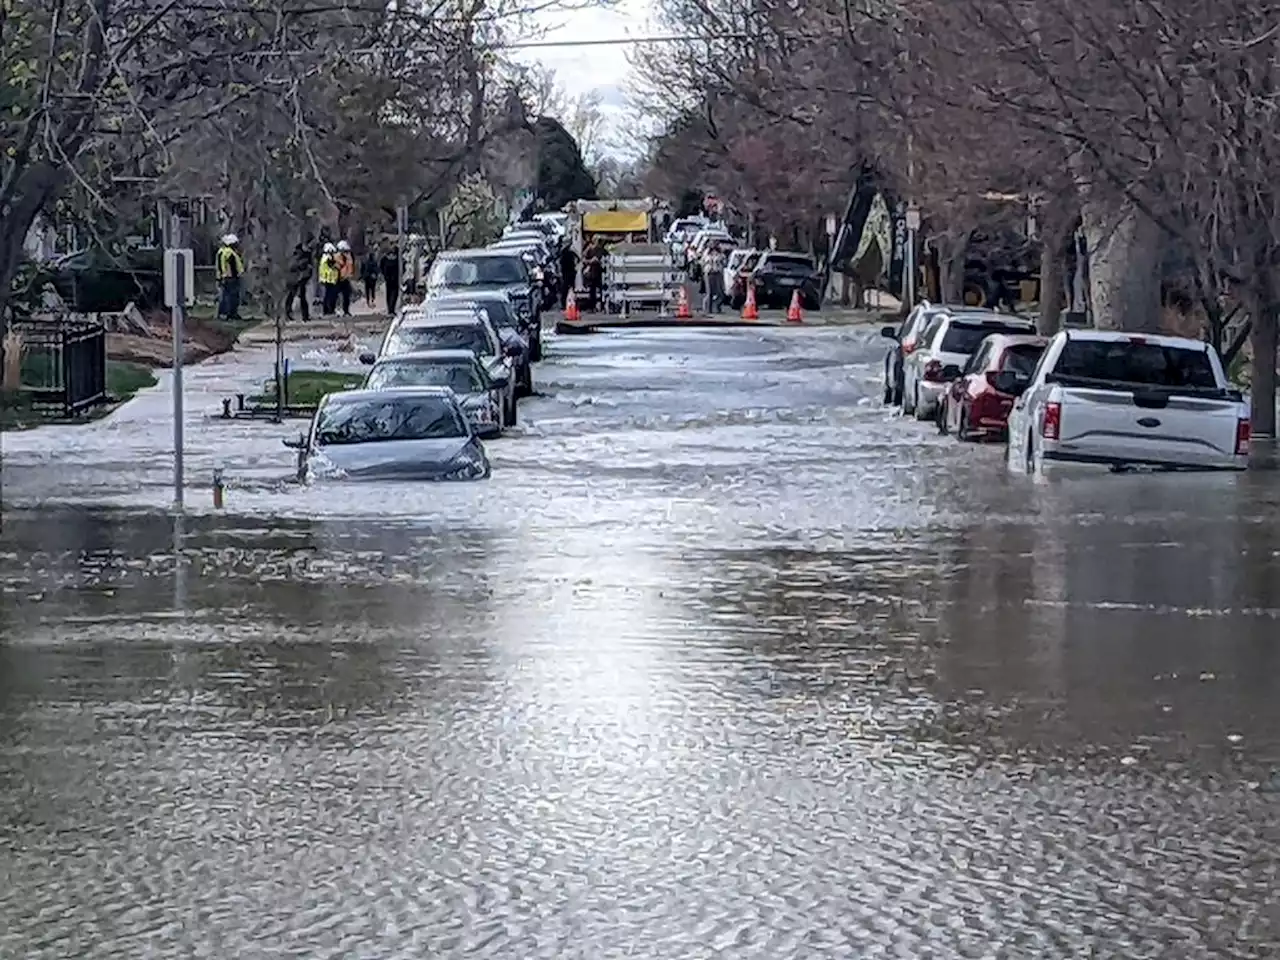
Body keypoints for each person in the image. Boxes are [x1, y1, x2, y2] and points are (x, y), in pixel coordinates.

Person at [215, 233, 245, 321]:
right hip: (231, 278)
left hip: (223, 277)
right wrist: (236, 275)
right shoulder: (230, 253)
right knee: (232, 297)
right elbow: (232, 266)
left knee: (224, 296)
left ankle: (222, 313)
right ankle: (231, 314)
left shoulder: (221, 251)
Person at [284, 239, 312, 323]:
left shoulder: (298, 258)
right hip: (296, 280)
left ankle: (303, 315)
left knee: (295, 297)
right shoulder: (300, 259)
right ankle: (302, 315)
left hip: (297, 280)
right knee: (294, 297)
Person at [702, 241, 727, 314]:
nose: (714, 247)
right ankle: (708, 309)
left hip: (718, 274)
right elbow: (703, 262)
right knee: (710, 293)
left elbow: (724, 262)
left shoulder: (720, 254)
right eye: (712, 245)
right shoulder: (706, 253)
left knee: (721, 293)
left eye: (715, 245)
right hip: (709, 273)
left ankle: (717, 306)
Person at [583, 238, 605, 311]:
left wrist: (589, 261)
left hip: (598, 272)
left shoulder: (600, 250)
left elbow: (596, 259)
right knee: (594, 290)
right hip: (595, 273)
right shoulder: (591, 250)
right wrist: (589, 260)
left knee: (596, 290)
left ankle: (596, 306)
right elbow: (584, 259)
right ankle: (595, 306)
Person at [318, 242, 340, 316]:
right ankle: (329, 310)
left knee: (328, 296)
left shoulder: (324, 257)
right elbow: (333, 265)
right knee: (331, 296)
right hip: (329, 279)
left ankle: (327, 310)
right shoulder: (327, 257)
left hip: (327, 279)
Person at [335, 240, 355, 316]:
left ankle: (346, 311)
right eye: (344, 251)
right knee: (336, 296)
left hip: (345, 278)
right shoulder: (337, 257)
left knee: (346, 295)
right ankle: (336, 310)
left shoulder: (349, 257)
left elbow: (350, 267)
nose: (346, 252)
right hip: (338, 278)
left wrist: (350, 275)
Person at [379, 246, 401, 315]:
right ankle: (392, 309)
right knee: (394, 294)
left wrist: (384, 275)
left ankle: (390, 309)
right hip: (395, 279)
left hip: (387, 279)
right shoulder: (398, 260)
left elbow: (381, 267)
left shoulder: (384, 259)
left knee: (389, 294)